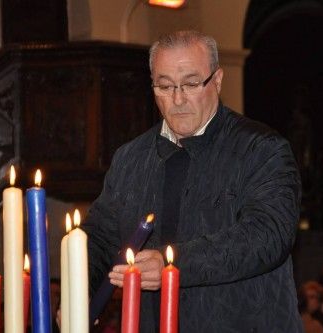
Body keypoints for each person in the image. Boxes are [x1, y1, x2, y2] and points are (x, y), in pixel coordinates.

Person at [82, 30, 303, 332]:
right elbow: (101, 238)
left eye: (190, 83)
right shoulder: (130, 158)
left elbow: (268, 235)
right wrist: (78, 295)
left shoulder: (263, 149)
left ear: (218, 80)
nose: (177, 99)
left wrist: (174, 265)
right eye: (165, 86)